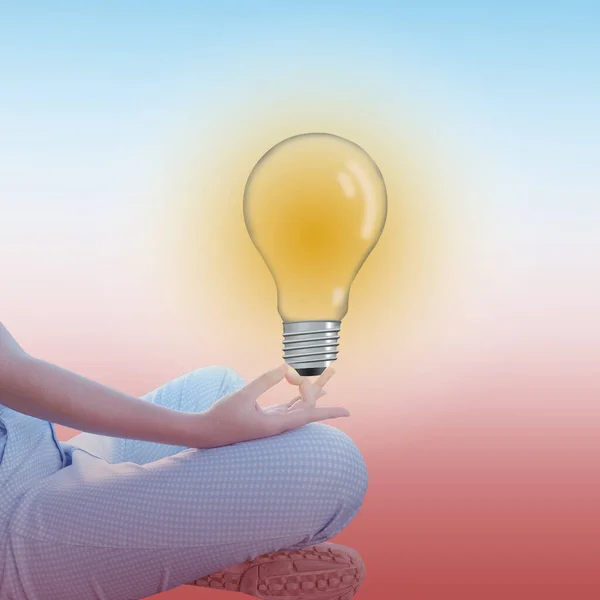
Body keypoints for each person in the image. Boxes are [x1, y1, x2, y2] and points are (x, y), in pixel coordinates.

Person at [0, 321, 368, 599]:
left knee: (215, 385)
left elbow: (13, 369)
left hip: (40, 453)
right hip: (11, 530)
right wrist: (201, 431)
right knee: (329, 466)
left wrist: (210, 425)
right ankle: (161, 551)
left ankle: (151, 551)